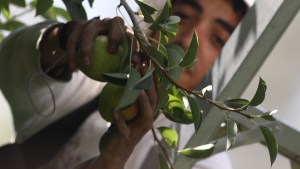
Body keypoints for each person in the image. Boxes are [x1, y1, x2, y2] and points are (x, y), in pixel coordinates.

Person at [0, 0, 248, 168]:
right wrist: (62, 41)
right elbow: (13, 70)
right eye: (182, 16)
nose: (187, 40)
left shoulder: (202, 156)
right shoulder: (94, 85)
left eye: (217, 39)